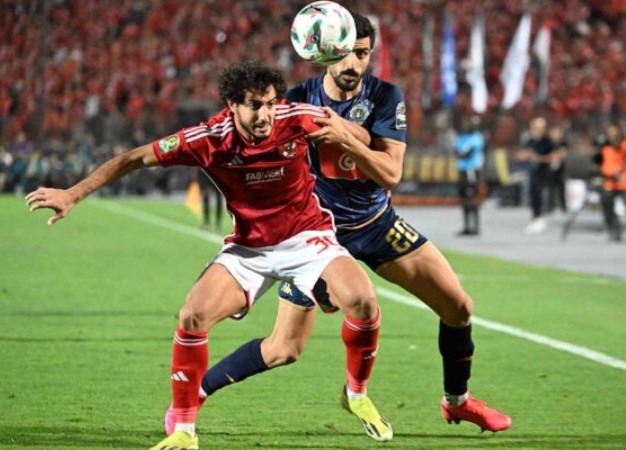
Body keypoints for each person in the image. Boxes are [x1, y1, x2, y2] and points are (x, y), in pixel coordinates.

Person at [173, 13, 511, 439]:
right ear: (325, 53)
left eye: (363, 54)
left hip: (376, 222)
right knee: (283, 349)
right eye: (346, 53)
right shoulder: (296, 99)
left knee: (458, 307)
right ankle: (198, 390)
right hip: (317, 236)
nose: (353, 63)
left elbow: (390, 174)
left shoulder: (386, 97)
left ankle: (456, 402)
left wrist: (347, 138)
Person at [26, 60, 391, 449]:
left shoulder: (297, 117)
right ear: (232, 104)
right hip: (249, 248)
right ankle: (184, 431)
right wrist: (72, 194)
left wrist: (346, 131)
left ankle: (356, 394)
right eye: (254, 105)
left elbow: (363, 140)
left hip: (307, 237)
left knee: (363, 302)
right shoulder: (206, 137)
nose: (265, 114)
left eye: (269, 103)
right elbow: (134, 158)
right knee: (192, 315)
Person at [599, 123, 626, 242]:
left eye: (614, 132)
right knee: (608, 208)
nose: (612, 135)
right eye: (609, 132)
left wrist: (621, 173)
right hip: (609, 182)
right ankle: (615, 232)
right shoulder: (604, 147)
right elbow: (600, 162)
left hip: (625, 182)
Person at [519, 117, 555, 234]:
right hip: (532, 171)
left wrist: (538, 158)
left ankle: (541, 218)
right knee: (533, 195)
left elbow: (553, 157)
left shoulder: (547, 141)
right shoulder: (530, 141)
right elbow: (521, 154)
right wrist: (524, 156)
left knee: (541, 195)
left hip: (543, 172)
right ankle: (535, 217)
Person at [454, 115, 485, 236]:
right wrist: (461, 153)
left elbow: (466, 154)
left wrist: (461, 153)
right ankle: (467, 226)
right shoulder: (462, 137)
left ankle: (475, 227)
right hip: (462, 170)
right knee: (464, 198)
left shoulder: (477, 138)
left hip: (471, 170)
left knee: (472, 198)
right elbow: (457, 151)